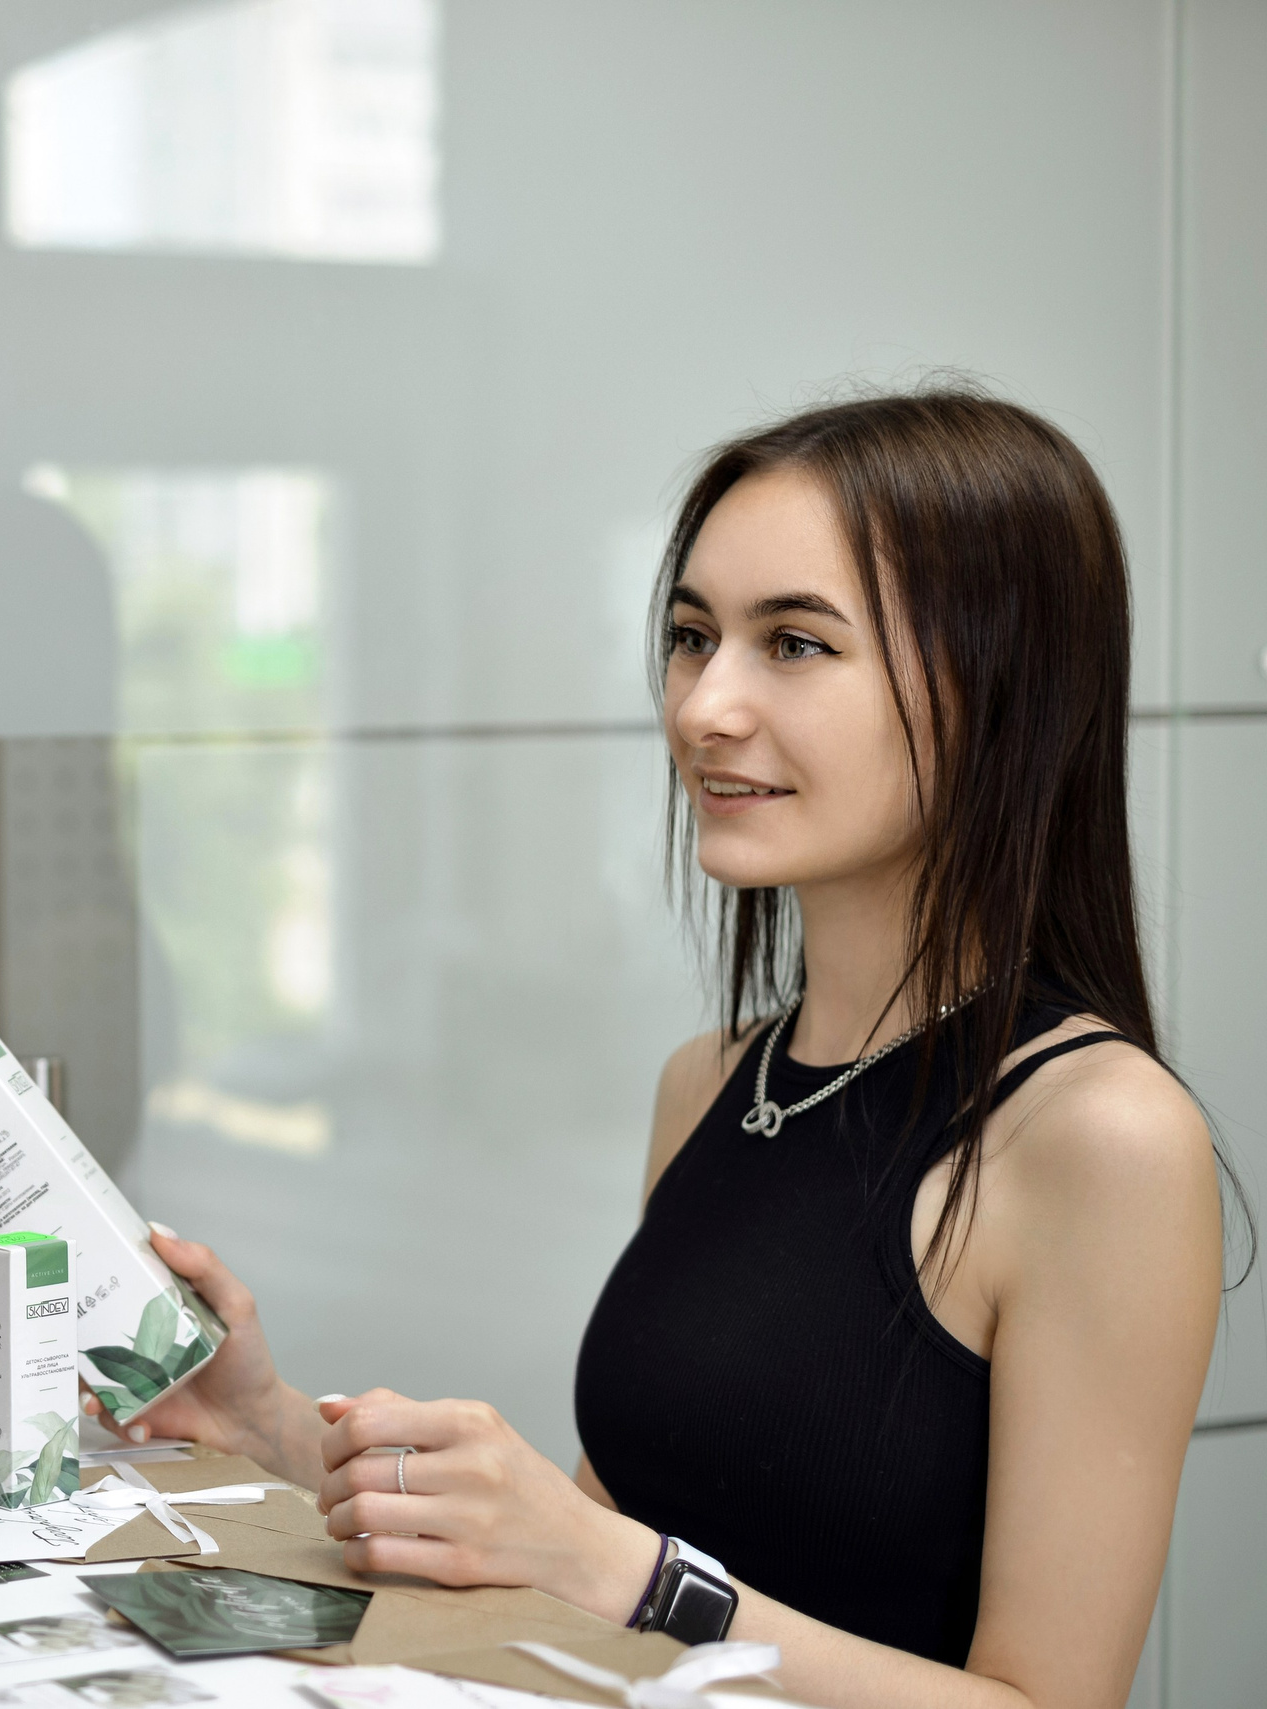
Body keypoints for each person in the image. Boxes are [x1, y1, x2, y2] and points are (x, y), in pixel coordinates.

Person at [97, 391, 1237, 1709]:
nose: (704, 705)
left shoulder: (1100, 1135)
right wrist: (278, 1431)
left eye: (796, 644)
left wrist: (630, 1571)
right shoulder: (711, 1082)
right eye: (693, 637)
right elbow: (608, 1554)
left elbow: (1043, 1702)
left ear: (1002, 688)